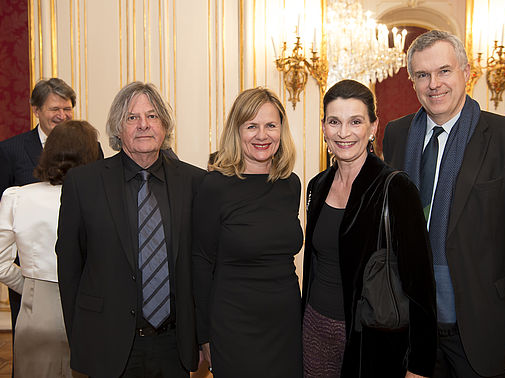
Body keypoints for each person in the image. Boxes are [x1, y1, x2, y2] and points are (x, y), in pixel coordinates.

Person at [383, 30, 505, 378]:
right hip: (411, 325)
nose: (434, 84)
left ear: (466, 72)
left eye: (444, 70)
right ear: (412, 81)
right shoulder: (397, 134)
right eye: (423, 75)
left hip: (480, 328)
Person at [56, 81, 205, 377]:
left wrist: (202, 337)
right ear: (117, 128)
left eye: (152, 116)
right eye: (132, 118)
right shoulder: (83, 184)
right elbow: (70, 267)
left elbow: (203, 267)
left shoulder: (196, 183)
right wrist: (82, 337)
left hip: (174, 344)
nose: (144, 125)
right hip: (107, 343)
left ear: (164, 125)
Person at [301, 79, 437, 378]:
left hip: (372, 340)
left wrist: (419, 365)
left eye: (356, 121)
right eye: (334, 121)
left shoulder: (396, 188)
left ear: (373, 127)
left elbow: (421, 285)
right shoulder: (317, 185)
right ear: (323, 127)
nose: (344, 133)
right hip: (314, 329)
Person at [192, 87, 303, 378]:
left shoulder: (291, 185)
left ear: (281, 130)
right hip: (234, 326)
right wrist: (204, 337)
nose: (262, 135)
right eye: (251, 126)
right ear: (236, 131)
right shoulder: (214, 186)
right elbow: (201, 262)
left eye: (270, 125)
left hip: (286, 323)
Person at [0, 120, 98, 377]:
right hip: (91, 308)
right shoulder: (99, 199)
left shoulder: (18, 197)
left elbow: (0, 262)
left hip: (37, 311)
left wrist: (29, 286)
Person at [0, 77, 77, 335]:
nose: (62, 116)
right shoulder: (10, 151)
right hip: (31, 282)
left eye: (67, 109)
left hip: (79, 281)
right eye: (55, 109)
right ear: (36, 110)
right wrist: (25, 283)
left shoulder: (89, 148)